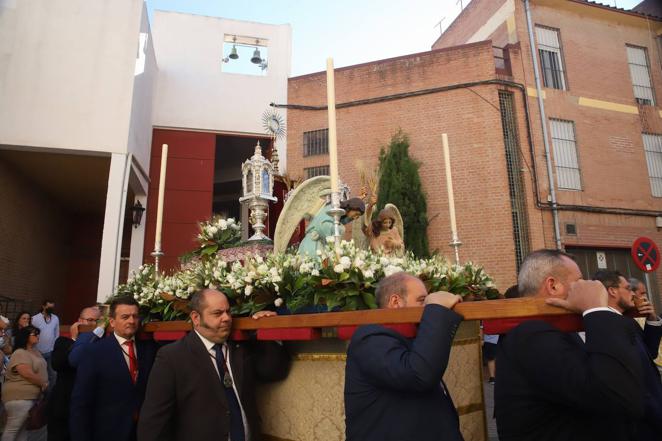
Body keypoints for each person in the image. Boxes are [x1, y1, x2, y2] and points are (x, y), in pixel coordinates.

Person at [495, 249, 644, 441]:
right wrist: (596, 309)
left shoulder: (552, 330)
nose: (585, 286)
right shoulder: (530, 336)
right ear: (553, 286)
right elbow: (619, 395)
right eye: (579, 281)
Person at [137, 288, 290, 441]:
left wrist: (269, 328)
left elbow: (274, 371)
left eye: (228, 312)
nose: (227, 318)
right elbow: (153, 424)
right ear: (196, 318)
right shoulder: (172, 357)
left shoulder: (240, 349)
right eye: (217, 313)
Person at [344, 272, 464, 441]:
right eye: (422, 300)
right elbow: (419, 374)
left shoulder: (409, 337)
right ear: (395, 302)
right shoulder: (369, 338)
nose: (427, 306)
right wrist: (436, 309)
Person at [70, 297, 157, 441]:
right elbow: (81, 403)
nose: (131, 321)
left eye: (135, 316)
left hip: (142, 432)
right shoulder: (94, 352)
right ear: (112, 322)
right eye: (125, 317)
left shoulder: (149, 350)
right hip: (108, 432)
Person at [593, 270, 662, 440]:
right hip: (644, 422)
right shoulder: (609, 326)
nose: (633, 294)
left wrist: (652, 318)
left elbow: (649, 352)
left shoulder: (626, 320)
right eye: (628, 288)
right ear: (612, 291)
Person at [47, 306, 102, 441]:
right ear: (79, 321)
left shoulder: (101, 344)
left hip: (88, 409)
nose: (93, 324)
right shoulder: (64, 342)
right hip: (63, 407)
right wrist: (75, 339)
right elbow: (58, 364)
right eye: (89, 320)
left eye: (97, 321)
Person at [1, 326, 48, 441]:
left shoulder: (36, 352)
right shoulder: (20, 352)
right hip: (20, 397)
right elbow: (26, 372)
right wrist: (43, 383)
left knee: (21, 431)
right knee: (12, 429)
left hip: (30, 397)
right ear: (25, 337)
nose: (37, 336)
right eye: (34, 334)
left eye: (38, 334)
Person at [298, 197, 365, 257]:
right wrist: (340, 229)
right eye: (356, 214)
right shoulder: (332, 209)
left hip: (319, 243)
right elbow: (323, 225)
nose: (356, 217)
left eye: (358, 216)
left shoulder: (337, 214)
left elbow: (342, 221)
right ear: (352, 207)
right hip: (313, 244)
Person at [31, 299, 59, 390]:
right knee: (39, 375)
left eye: (52, 307)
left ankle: (50, 396)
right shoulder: (35, 318)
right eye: (49, 306)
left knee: (53, 375)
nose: (51, 308)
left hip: (50, 351)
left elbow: (56, 333)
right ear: (43, 306)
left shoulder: (55, 318)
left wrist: (54, 347)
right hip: (38, 352)